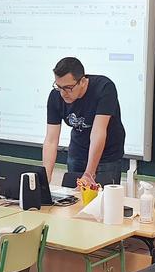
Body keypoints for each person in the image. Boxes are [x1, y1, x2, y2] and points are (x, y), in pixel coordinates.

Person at [42, 57, 126, 189]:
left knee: (102, 198)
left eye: (68, 88)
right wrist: (45, 178)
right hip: (78, 153)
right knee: (74, 197)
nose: (63, 93)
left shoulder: (104, 88)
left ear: (82, 81)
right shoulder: (55, 96)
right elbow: (51, 140)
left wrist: (89, 174)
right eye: (59, 87)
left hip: (107, 156)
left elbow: (98, 132)